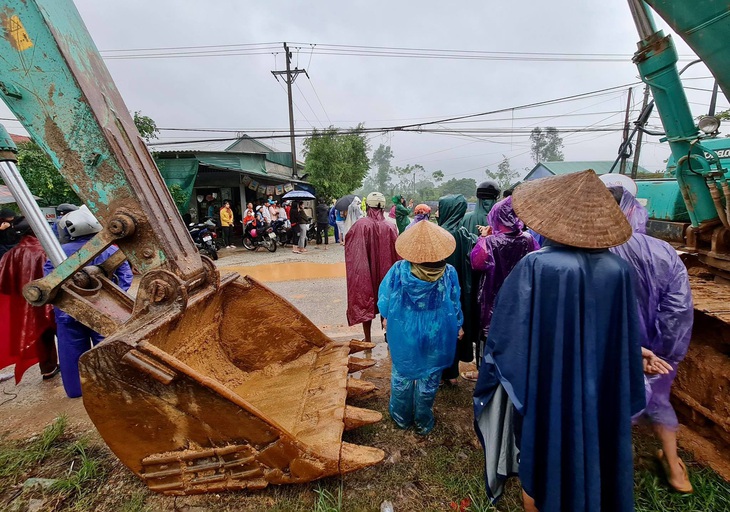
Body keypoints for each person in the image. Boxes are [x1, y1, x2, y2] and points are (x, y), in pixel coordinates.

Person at [473, 170, 645, 512]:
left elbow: (508, 338)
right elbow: (620, 334)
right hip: (600, 386)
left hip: (548, 384)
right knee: (597, 441)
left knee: (542, 447)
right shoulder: (618, 269)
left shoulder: (538, 266)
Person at [608, 185, 694, 494]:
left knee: (613, 408)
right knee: (659, 402)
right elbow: (679, 308)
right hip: (657, 351)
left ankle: (614, 475)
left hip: (612, 349)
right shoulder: (663, 251)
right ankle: (674, 469)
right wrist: (666, 354)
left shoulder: (595, 252)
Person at [378, 220, 464, 434]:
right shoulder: (449, 272)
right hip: (438, 330)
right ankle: (423, 420)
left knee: (402, 373)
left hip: (403, 329)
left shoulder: (399, 270)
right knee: (430, 376)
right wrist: (459, 325)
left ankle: (401, 418)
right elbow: (455, 301)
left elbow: (385, 299)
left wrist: (386, 317)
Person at [45, 206, 133, 398]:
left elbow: (48, 282)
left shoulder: (58, 252)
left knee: (71, 354)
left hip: (68, 313)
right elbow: (125, 276)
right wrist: (114, 296)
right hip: (104, 309)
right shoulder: (109, 249)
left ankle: (77, 391)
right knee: (107, 349)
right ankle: (114, 386)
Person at [465, 196, 540, 381]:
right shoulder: (529, 240)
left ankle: (486, 376)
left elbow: (476, 262)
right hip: (521, 299)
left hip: (492, 299)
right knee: (515, 338)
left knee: (489, 339)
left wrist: (484, 237)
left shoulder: (490, 242)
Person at [0, 217, 59, 383]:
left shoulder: (9, 255)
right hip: (50, 300)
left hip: (24, 303)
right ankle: (73, 367)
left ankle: (48, 368)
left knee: (40, 335)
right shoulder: (44, 251)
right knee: (63, 333)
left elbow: (3, 286)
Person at [345, 192, 400, 344]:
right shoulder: (390, 226)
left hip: (366, 273)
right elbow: (398, 251)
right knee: (387, 299)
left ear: (368, 206)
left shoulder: (361, 225)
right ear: (383, 207)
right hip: (386, 272)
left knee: (365, 299)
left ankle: (368, 338)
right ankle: (389, 338)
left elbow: (351, 247)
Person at [437, 194, 479, 385]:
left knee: (441, 332)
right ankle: (452, 374)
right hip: (463, 293)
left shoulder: (440, 235)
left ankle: (443, 374)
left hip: (441, 292)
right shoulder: (465, 234)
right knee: (455, 330)